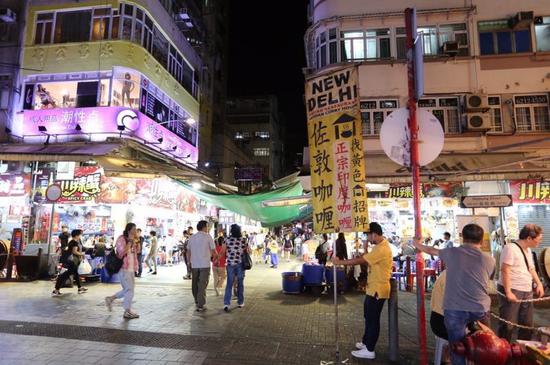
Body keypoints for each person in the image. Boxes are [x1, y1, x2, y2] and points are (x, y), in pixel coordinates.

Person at [413, 223, 495, 365]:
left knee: (458, 348)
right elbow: (490, 278)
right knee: (485, 344)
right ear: (481, 241)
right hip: (480, 310)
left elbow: (431, 250)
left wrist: (416, 243)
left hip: (455, 310)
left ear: (462, 238)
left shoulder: (452, 253)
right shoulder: (490, 259)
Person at [332, 223, 392, 360]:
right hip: (373, 288)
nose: (367, 237)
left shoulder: (382, 249)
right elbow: (367, 259)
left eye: (368, 235)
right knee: (368, 316)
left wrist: (340, 262)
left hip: (378, 289)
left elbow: (361, 260)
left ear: (374, 234)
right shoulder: (378, 247)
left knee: (373, 319)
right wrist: (365, 246)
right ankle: (366, 343)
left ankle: (370, 349)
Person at [498, 224, 545, 341]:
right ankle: (504, 350)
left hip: (526, 289)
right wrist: (508, 292)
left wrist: (539, 284)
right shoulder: (510, 248)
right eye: (537, 240)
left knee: (527, 324)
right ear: (529, 238)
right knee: (508, 323)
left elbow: (531, 268)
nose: (538, 243)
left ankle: (524, 349)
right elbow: (505, 270)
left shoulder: (528, 250)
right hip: (512, 288)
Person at [105, 223, 140, 319]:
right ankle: (127, 311)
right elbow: (121, 253)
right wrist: (129, 242)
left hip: (132, 267)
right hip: (123, 268)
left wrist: (136, 242)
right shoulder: (122, 239)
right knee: (129, 290)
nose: (135, 231)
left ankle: (110, 299)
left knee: (128, 289)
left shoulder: (133, 240)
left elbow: (138, 251)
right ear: (129, 230)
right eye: (134, 229)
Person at [187, 220, 217, 312]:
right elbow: (213, 251)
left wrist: (189, 262)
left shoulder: (192, 237)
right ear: (204, 227)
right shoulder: (208, 237)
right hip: (204, 264)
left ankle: (197, 300)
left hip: (194, 264)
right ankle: (200, 304)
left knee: (195, 283)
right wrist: (215, 257)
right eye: (207, 226)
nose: (208, 228)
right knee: (202, 284)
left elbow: (188, 251)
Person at [52, 229, 88, 296]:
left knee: (75, 274)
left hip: (71, 260)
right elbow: (74, 252)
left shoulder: (72, 241)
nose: (80, 236)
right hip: (73, 261)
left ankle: (80, 288)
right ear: (77, 235)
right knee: (64, 275)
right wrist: (82, 254)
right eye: (80, 234)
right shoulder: (74, 242)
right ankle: (56, 290)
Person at [223, 224, 250, 312]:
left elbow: (223, 251)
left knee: (229, 284)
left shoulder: (226, 239)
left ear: (231, 231)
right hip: (240, 264)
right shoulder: (243, 240)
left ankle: (226, 303)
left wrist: (216, 259)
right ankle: (240, 302)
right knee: (240, 283)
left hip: (230, 264)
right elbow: (249, 250)